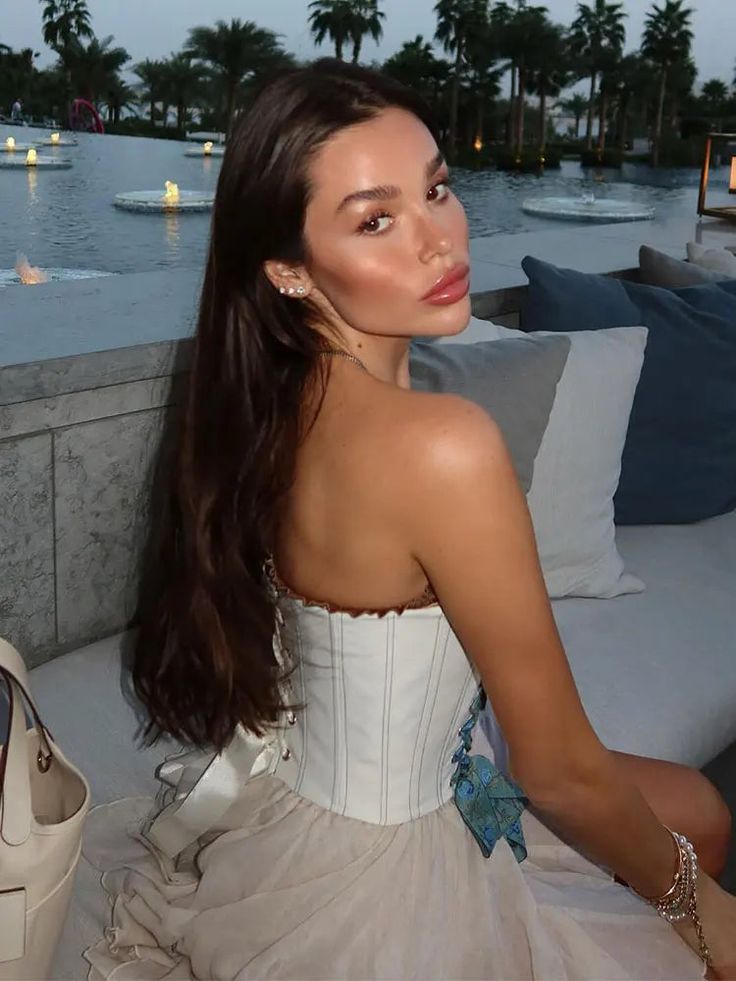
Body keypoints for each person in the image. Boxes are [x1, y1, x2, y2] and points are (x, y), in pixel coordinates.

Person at [82, 59, 736, 980]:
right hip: (384, 862)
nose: (440, 240)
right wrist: (706, 913)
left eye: (436, 188)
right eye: (376, 219)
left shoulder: (270, 407)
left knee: (699, 807)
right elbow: (555, 769)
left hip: (334, 795)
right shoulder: (441, 446)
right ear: (287, 269)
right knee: (696, 864)